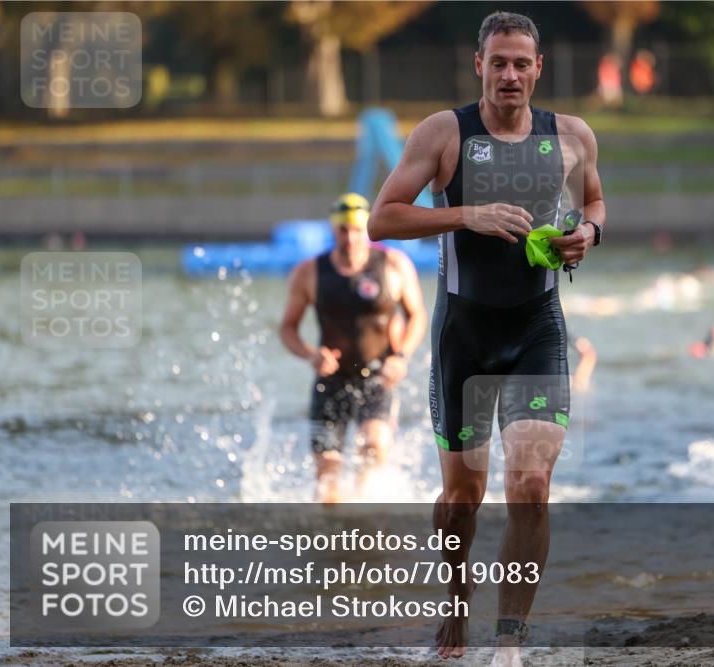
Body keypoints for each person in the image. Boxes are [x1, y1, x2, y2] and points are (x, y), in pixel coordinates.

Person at [369, 11, 604, 663]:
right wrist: (466, 214)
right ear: (479, 65)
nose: (509, 75)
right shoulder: (444, 133)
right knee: (462, 499)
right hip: (463, 338)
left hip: (537, 329)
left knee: (529, 483)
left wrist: (588, 233)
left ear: (538, 69)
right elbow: (381, 220)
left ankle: (509, 643)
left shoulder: (571, 135)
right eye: (497, 62)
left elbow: (593, 202)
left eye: (521, 63)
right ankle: (455, 596)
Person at [279, 193, 426, 503]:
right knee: (327, 485)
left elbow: (417, 317)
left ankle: (366, 515)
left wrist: (400, 357)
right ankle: (335, 529)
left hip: (377, 378)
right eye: (343, 230)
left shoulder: (393, 264)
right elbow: (287, 328)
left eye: (357, 230)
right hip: (330, 381)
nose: (350, 238)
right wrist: (311, 354)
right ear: (333, 230)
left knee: (374, 446)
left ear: (368, 229)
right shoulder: (310, 272)